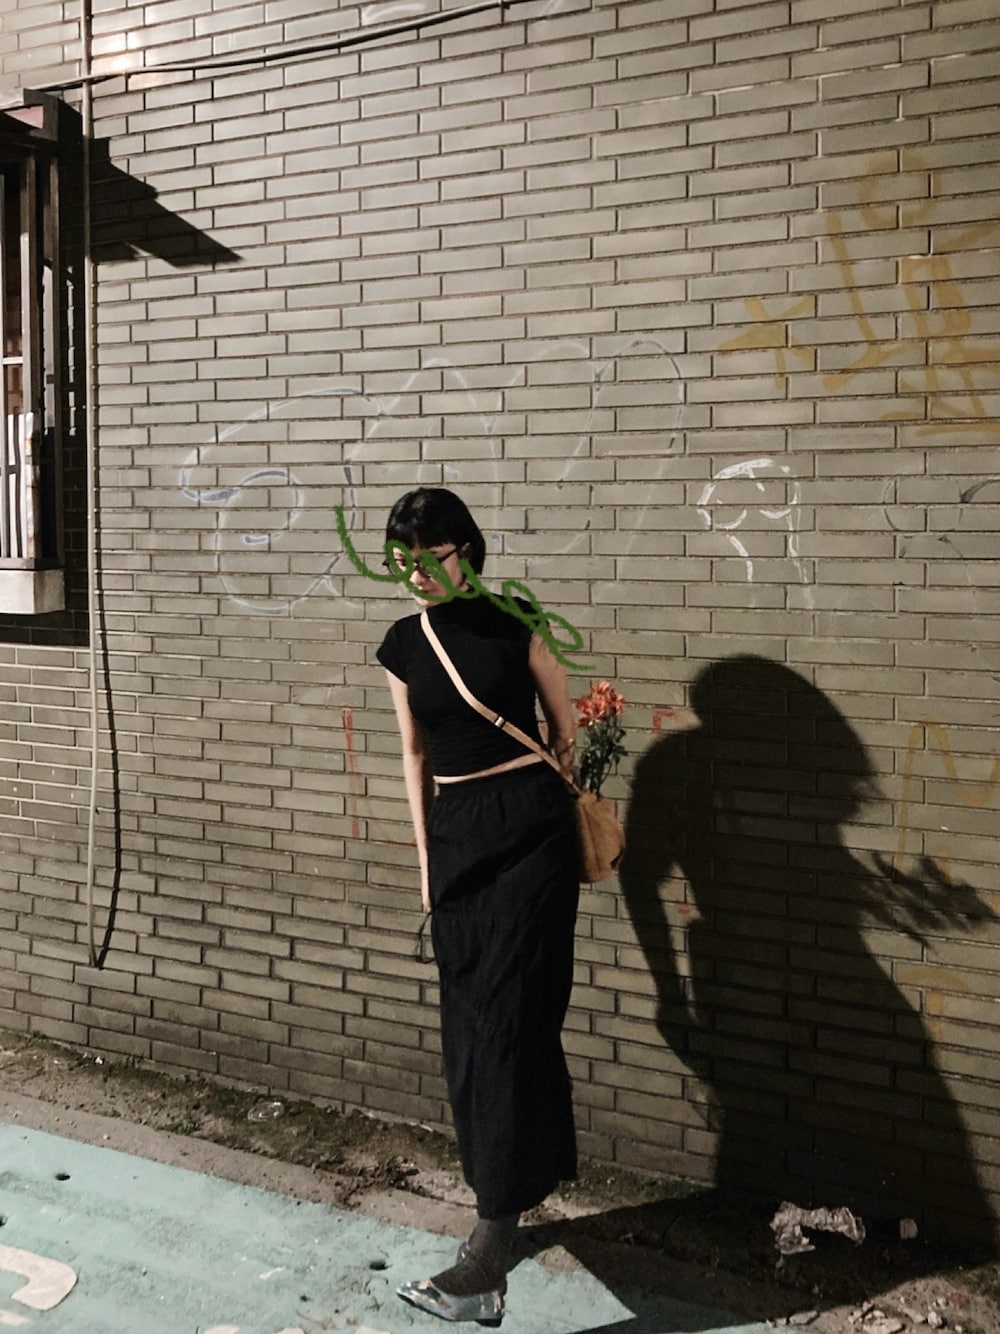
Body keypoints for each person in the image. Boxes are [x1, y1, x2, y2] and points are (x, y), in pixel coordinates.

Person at [374, 487, 581, 1325]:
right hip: (457, 837)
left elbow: (564, 727)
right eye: (402, 561)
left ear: (467, 550)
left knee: (507, 1022)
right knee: (470, 1029)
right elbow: (413, 754)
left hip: (529, 834)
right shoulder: (402, 644)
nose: (416, 573)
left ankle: (489, 1253)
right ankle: (516, 1190)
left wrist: (547, 805)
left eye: (430, 555)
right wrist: (427, 860)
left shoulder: (516, 621)